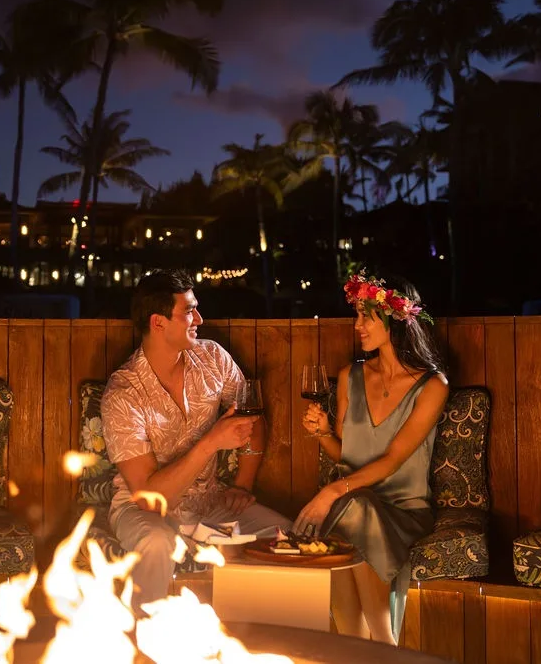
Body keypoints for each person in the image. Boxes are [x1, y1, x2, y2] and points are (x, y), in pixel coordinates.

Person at [101, 269, 291, 609]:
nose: (199, 319)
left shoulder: (213, 357)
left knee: (286, 536)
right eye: (189, 310)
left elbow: (252, 415)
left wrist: (243, 484)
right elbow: (148, 498)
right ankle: (145, 651)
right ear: (158, 322)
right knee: (158, 542)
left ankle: (255, 646)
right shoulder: (123, 393)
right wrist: (211, 442)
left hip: (210, 503)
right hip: (141, 511)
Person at [296, 269, 448, 644]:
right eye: (356, 314)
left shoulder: (432, 385)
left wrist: (330, 492)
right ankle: (363, 649)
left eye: (366, 316)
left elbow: (394, 459)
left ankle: (381, 644)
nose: (357, 325)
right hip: (353, 503)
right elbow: (344, 454)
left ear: (396, 319)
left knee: (353, 507)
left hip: (403, 509)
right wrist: (322, 434)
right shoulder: (351, 375)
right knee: (353, 508)